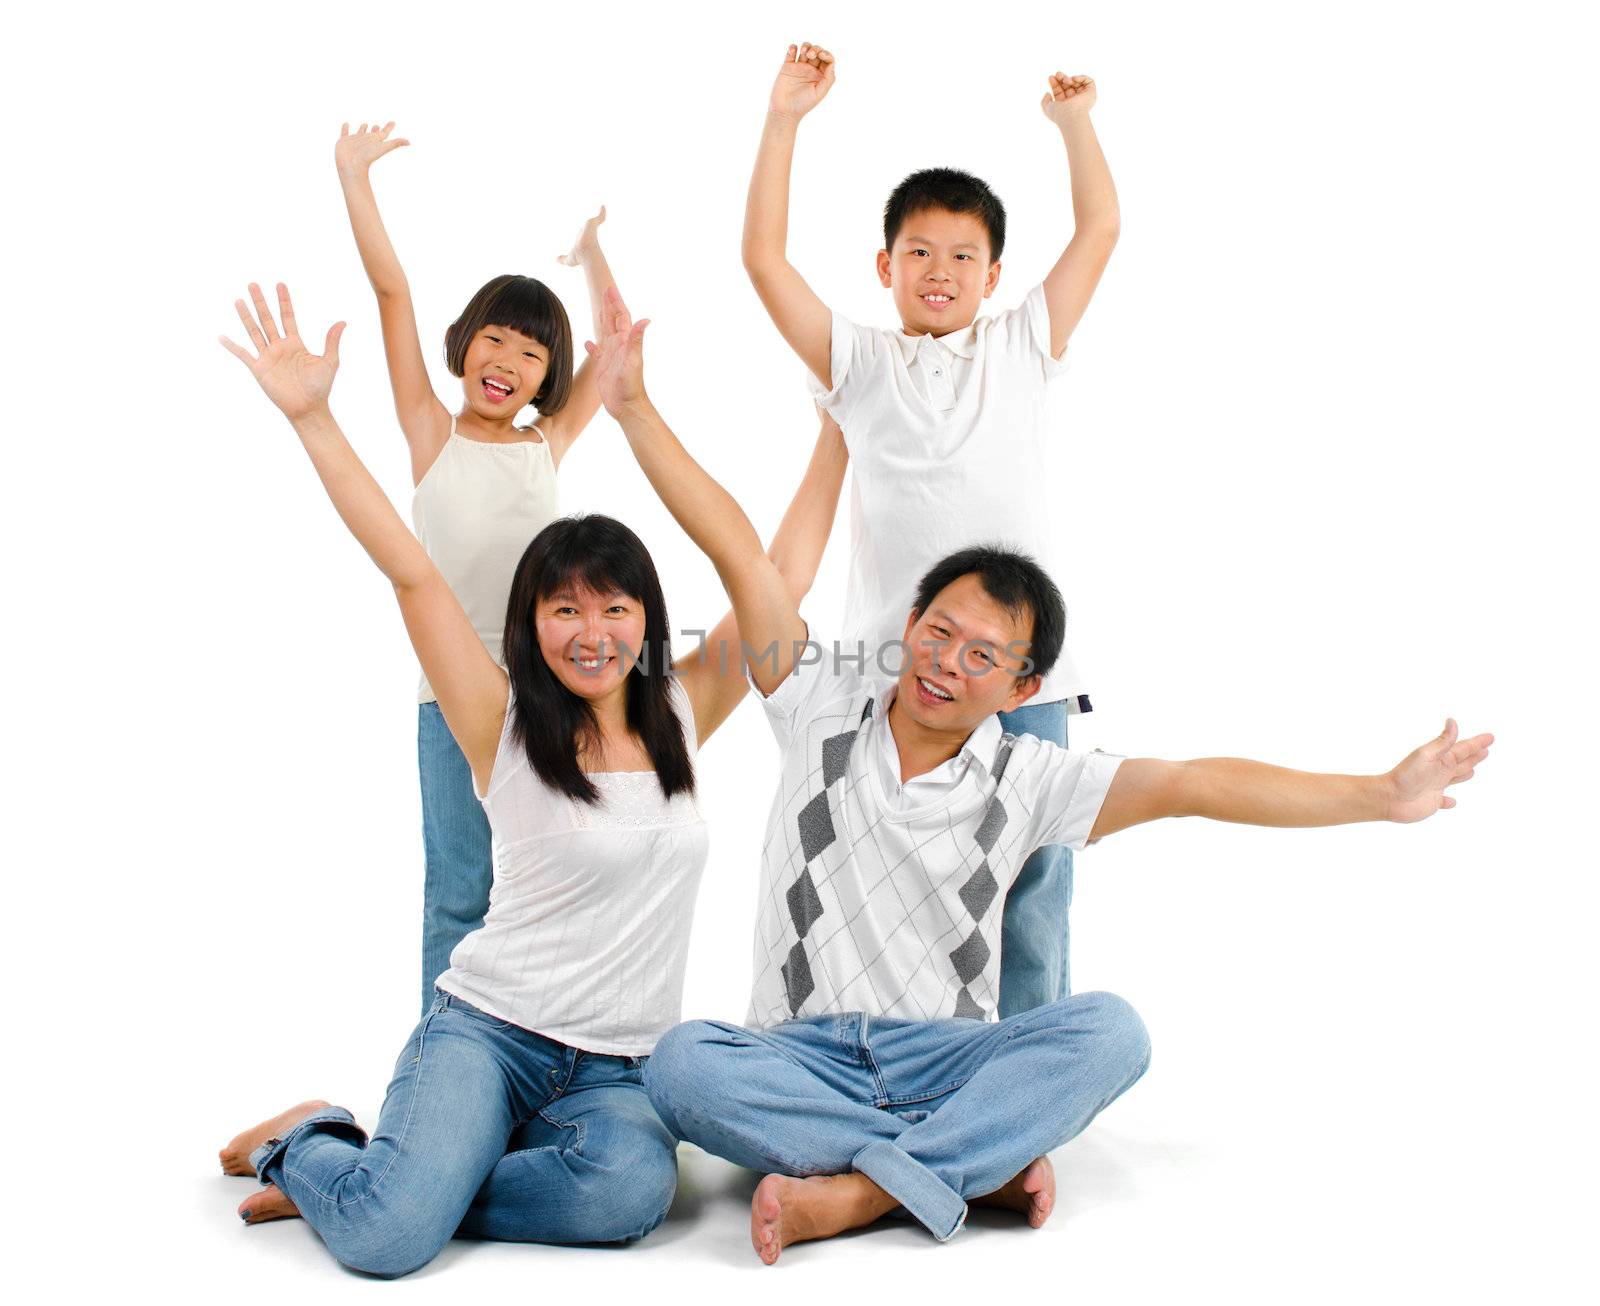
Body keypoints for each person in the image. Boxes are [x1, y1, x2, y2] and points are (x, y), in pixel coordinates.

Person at [578, 286, 1493, 1265]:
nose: (947, 663)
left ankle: (856, 1191)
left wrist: (1375, 795)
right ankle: (961, 1169)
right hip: (795, 1051)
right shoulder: (815, 702)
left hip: (946, 1061)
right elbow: (734, 549)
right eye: (938, 633)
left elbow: (1193, 781)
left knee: (1111, 1031)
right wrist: (632, 408)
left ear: (1024, 684)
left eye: (983, 657)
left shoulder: (1031, 777)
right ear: (906, 627)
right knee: (681, 1066)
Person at [213, 283, 846, 1276]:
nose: (590, 634)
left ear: (644, 620)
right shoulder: (496, 720)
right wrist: (314, 419)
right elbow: (412, 569)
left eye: (614, 610)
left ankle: (413, 1173)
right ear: (530, 624)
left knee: (631, 1194)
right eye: (564, 610)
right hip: (490, 1035)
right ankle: (315, 1147)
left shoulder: (679, 711)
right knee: (386, 1240)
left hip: (620, 1066)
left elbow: (781, 577)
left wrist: (840, 433)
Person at [741, 46, 1123, 1018]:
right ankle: (885, 1060)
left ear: (994, 275)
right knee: (889, 878)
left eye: (962, 256)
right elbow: (762, 261)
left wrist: (1074, 127)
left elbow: (1101, 226)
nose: (940, 270)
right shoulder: (858, 362)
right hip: (895, 672)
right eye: (919, 252)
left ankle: (1026, 1081)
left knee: (1034, 880)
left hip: (1026, 667)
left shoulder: (1021, 342)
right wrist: (784, 119)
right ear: (885, 266)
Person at [335, 121, 619, 1012]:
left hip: (548, 697)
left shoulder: (547, 445)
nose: (508, 359)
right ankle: (442, 1060)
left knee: (549, 891)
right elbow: (392, 293)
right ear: (468, 344)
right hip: (447, 702)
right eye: (496, 338)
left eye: (532, 353)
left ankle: (544, 1051)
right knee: (459, 893)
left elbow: (615, 346)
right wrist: (355, 179)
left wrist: (592, 253)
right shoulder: (430, 430)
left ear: (545, 379)